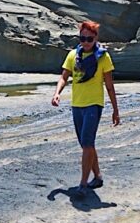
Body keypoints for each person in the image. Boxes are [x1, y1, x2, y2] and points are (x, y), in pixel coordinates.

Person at [51, 20, 121, 191]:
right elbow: (64, 77)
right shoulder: (73, 56)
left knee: (88, 143)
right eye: (83, 38)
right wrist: (57, 93)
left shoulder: (103, 57)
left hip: (94, 105)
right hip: (77, 105)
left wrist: (115, 110)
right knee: (85, 144)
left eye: (89, 39)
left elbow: (109, 86)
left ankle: (83, 183)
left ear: (96, 38)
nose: (86, 42)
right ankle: (97, 177)